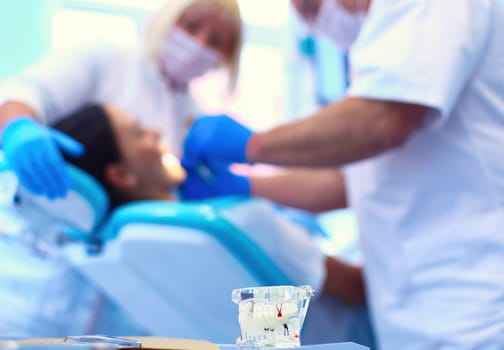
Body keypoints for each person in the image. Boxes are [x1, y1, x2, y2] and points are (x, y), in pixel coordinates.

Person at [180, 0, 504, 349]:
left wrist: (254, 146)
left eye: (311, 5)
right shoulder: (385, 55)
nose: (313, 18)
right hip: (418, 312)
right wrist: (247, 184)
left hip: (476, 302)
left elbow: (382, 119)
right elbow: (349, 183)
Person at [50, 103, 374, 345]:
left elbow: (265, 334)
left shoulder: (116, 254)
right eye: (139, 133)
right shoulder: (236, 222)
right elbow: (359, 289)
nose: (157, 132)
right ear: (121, 175)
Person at [0, 0, 242, 200]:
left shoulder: (194, 116)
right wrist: (18, 128)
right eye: (191, 26)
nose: (198, 44)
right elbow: (22, 93)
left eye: (215, 41)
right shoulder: (105, 57)